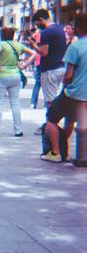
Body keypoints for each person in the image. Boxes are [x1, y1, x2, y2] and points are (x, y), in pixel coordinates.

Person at [41, 13, 87, 162]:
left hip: (75, 92)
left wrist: (65, 88)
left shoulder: (75, 46)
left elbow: (68, 75)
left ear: (78, 28)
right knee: (71, 119)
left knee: (51, 117)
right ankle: (64, 145)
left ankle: (56, 152)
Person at [0, 28, 36, 138]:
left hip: (2, 74)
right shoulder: (18, 45)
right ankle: (18, 130)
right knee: (15, 103)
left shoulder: (1, 44)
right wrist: (25, 65)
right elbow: (33, 53)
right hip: (15, 74)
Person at [29, 10, 66, 110]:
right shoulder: (60, 29)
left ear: (41, 20)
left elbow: (43, 52)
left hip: (50, 69)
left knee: (50, 101)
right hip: (60, 67)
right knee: (56, 97)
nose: (37, 26)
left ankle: (51, 123)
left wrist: (33, 46)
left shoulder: (46, 32)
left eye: (37, 23)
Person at [30, 28, 41, 109]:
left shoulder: (38, 34)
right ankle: (46, 105)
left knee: (37, 83)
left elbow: (32, 38)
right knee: (44, 84)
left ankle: (33, 103)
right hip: (44, 61)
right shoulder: (46, 34)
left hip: (38, 61)